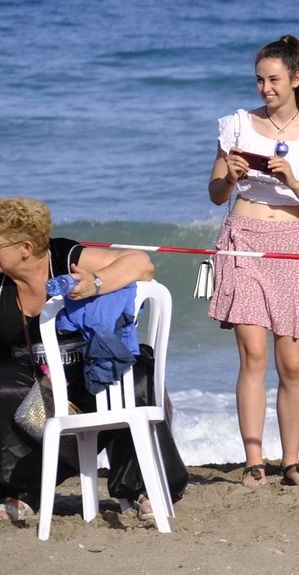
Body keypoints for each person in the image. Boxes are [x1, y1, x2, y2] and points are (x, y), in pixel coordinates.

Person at [0, 197, 188, 522]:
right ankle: (20, 490)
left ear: (25, 248)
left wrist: (94, 283)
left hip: (89, 375)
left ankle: (144, 486)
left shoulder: (65, 257)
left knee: (137, 374)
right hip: (34, 383)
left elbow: (141, 263)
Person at [206, 34, 299, 487]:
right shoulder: (237, 126)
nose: (265, 88)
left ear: (296, 79)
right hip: (242, 236)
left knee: (293, 364)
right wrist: (231, 174)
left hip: (291, 241)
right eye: (260, 80)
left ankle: (292, 462)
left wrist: (292, 182)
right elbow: (215, 194)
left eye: (274, 80)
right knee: (254, 355)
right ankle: (253, 461)